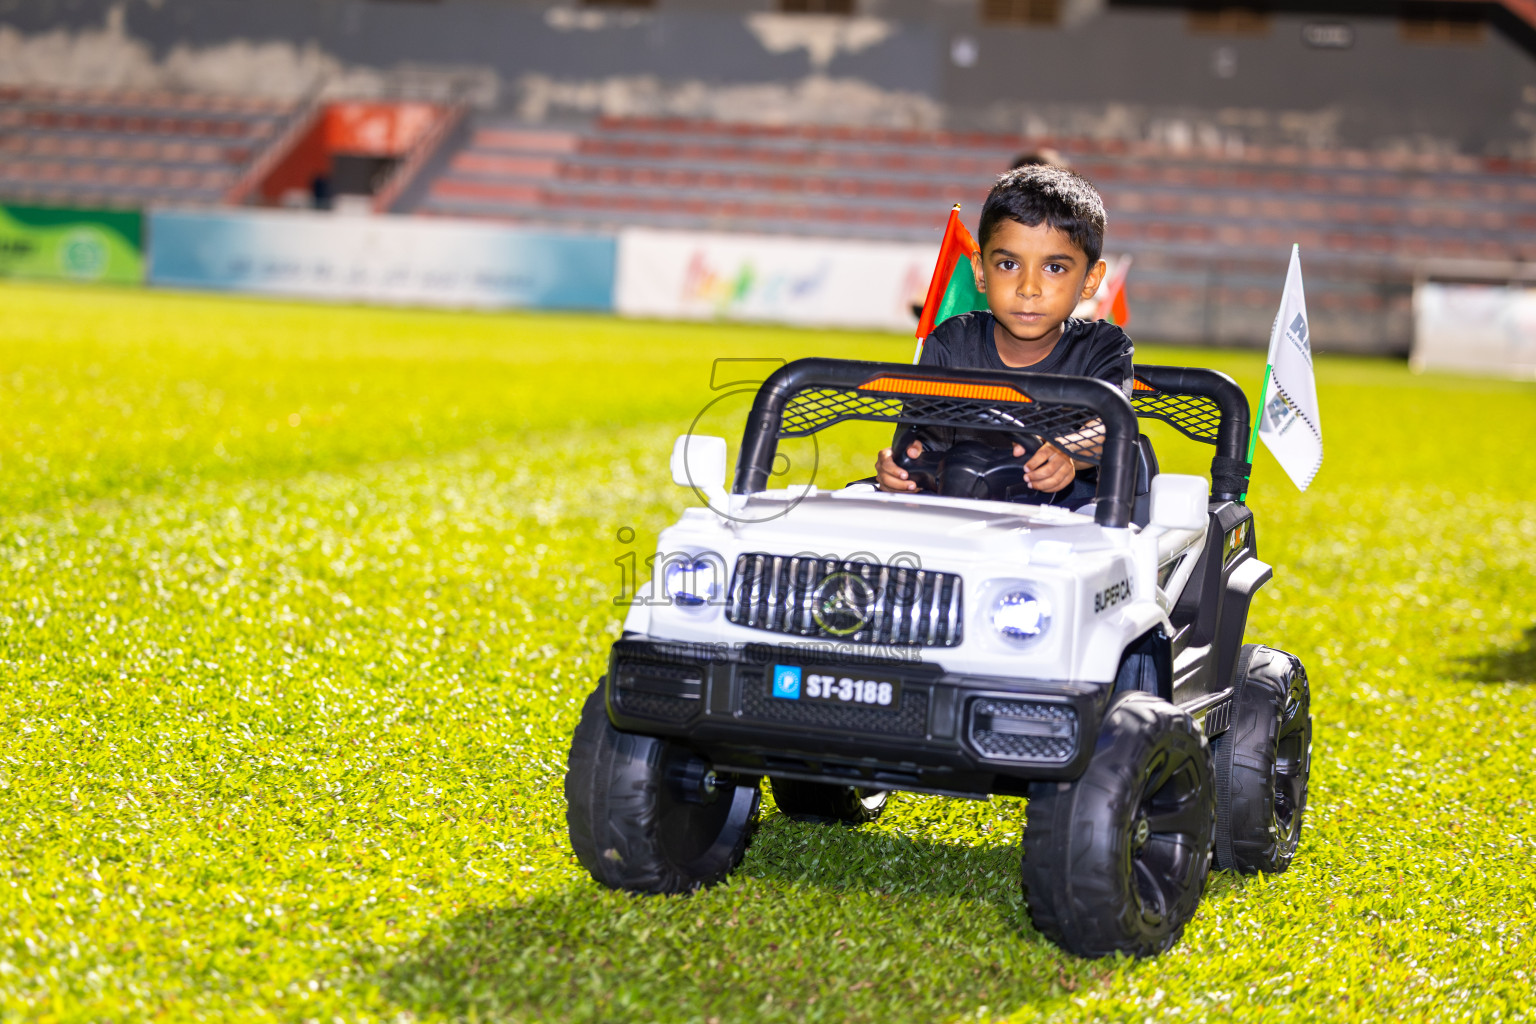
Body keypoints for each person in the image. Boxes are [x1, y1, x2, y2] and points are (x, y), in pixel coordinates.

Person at [876, 165, 1133, 497]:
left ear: (1090, 281)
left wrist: (1068, 450)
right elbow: (918, 439)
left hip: (1067, 521)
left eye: (1054, 268)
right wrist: (899, 467)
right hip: (961, 509)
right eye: (1008, 265)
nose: (1028, 287)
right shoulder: (952, 342)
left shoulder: (1103, 346)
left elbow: (1110, 424)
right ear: (981, 272)